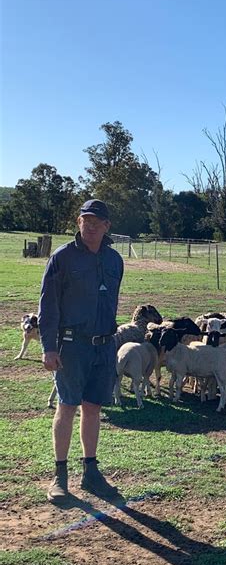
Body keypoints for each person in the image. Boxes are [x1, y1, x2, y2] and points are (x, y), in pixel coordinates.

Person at [38, 199, 124, 503]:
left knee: (93, 408)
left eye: (95, 221)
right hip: (72, 345)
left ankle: (91, 472)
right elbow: (48, 306)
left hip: (104, 345)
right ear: (78, 222)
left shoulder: (115, 260)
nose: (89, 226)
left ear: (106, 226)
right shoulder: (62, 258)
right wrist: (49, 347)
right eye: (85, 220)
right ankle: (59, 476)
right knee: (67, 406)